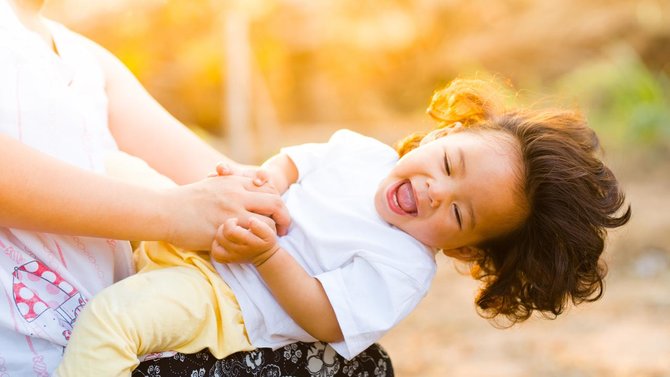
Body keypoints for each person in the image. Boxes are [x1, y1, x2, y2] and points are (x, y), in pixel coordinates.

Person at [56, 78, 631, 376]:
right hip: (203, 227)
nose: (436, 190)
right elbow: (290, 164)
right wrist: (263, 185)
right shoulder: (360, 151)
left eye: (459, 213)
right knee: (108, 170)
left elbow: (323, 316)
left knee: (114, 321)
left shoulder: (403, 269)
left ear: (469, 247)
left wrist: (266, 257)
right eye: (450, 163)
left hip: (220, 295)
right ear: (440, 136)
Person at [0, 1, 393, 375]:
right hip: (27, 354)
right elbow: (188, 207)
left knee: (362, 362)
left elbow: (226, 183)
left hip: (129, 346)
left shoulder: (84, 57)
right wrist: (174, 213)